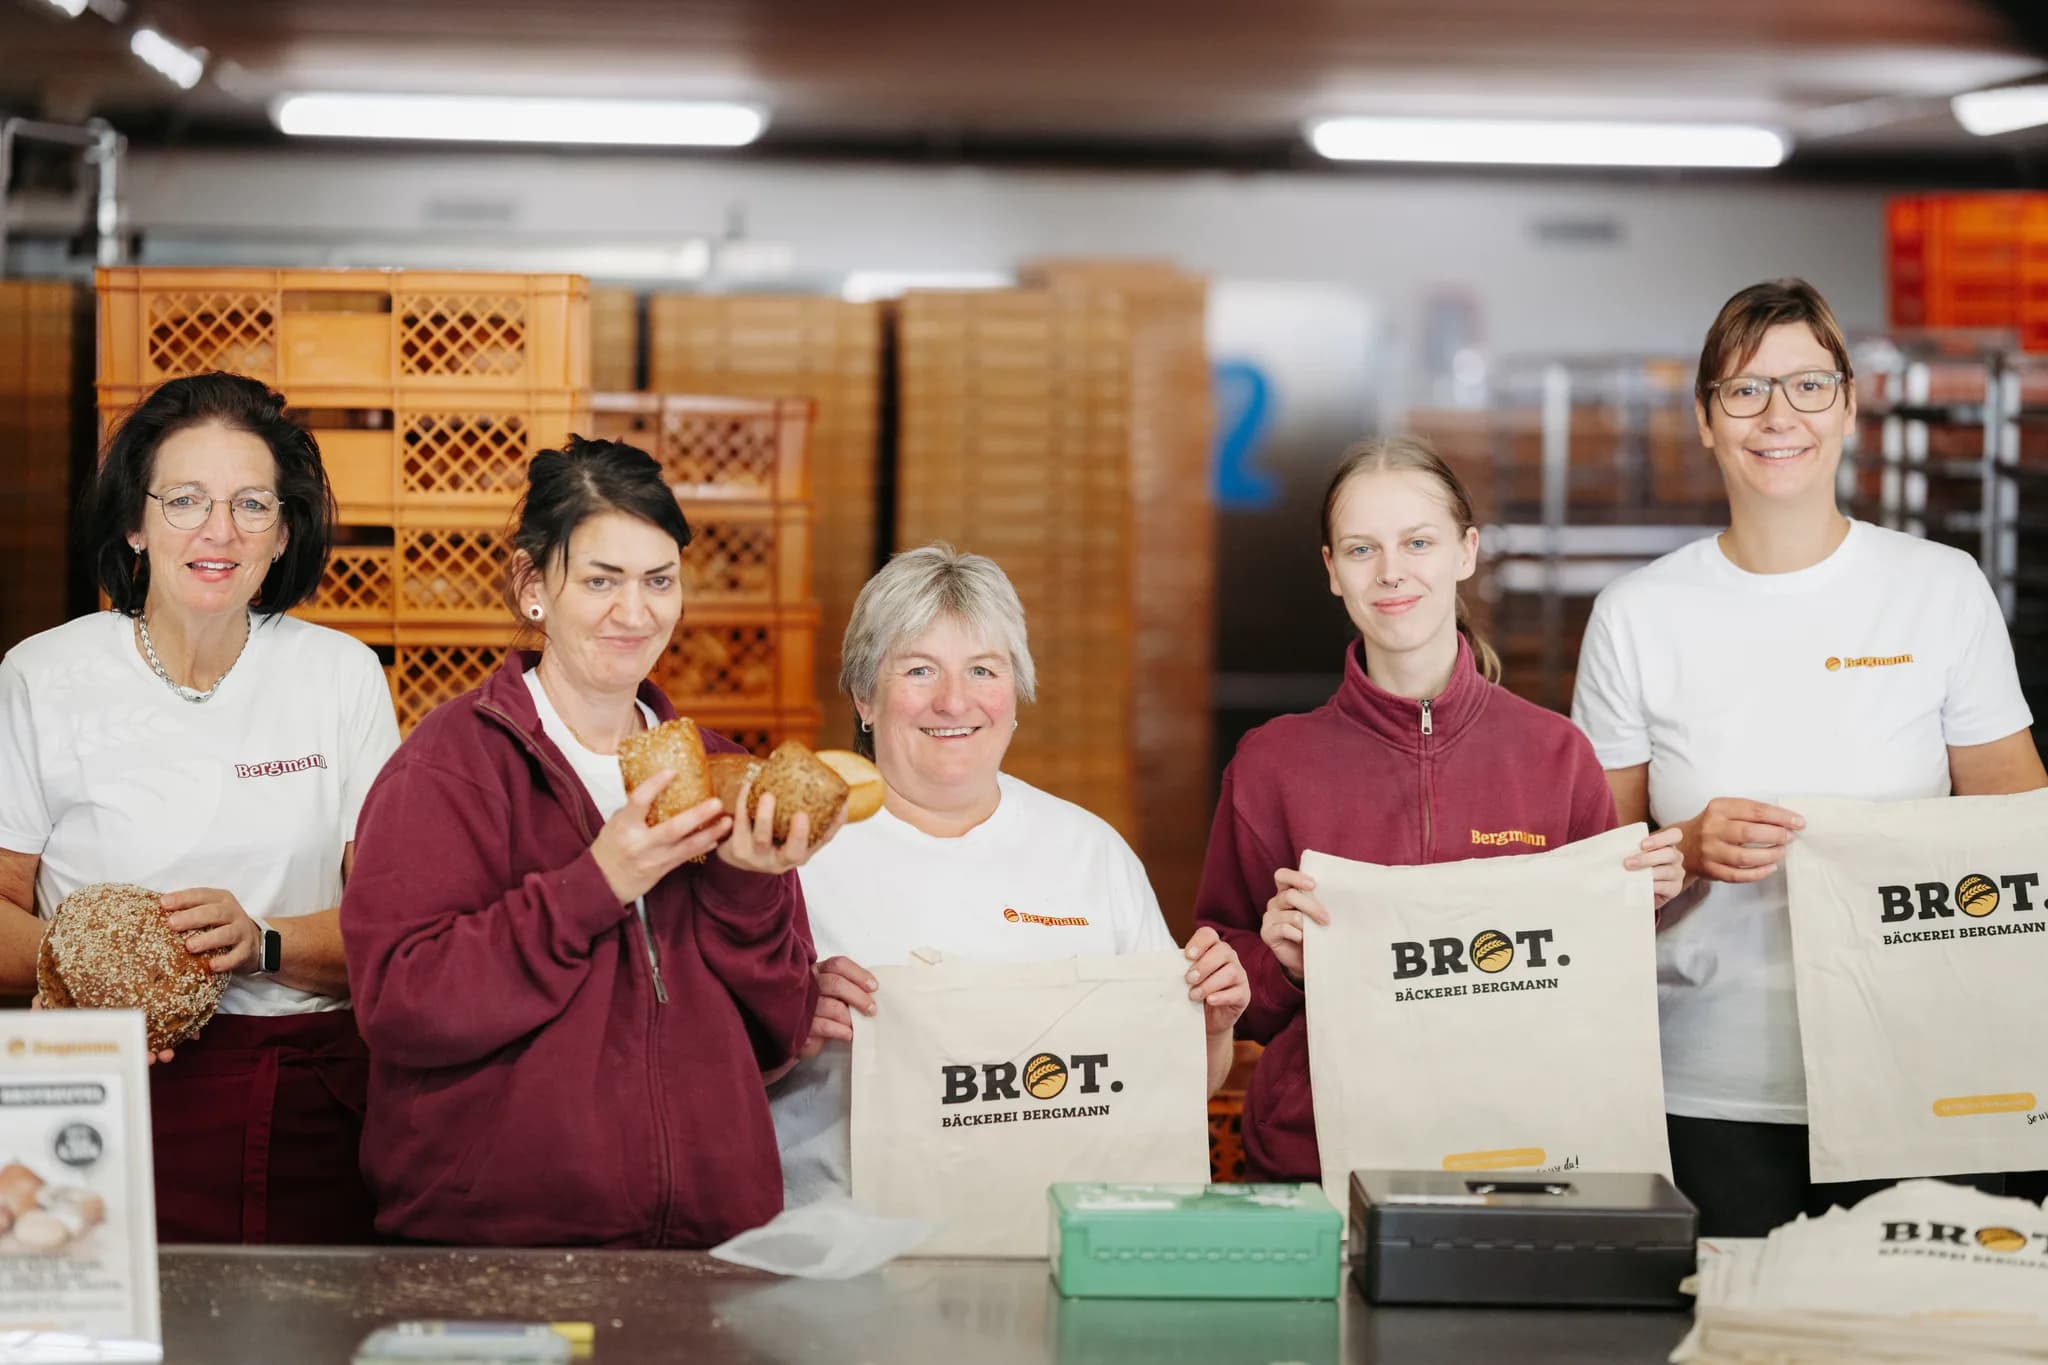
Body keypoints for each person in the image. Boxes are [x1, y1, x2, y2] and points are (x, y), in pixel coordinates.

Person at [1572, 278, 2047, 1236]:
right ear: (1706, 421)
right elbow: (1585, 868)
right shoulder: (1639, 615)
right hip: (1709, 1084)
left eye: (1807, 386)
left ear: (1850, 406)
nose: (1777, 415)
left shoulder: (1939, 591)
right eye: (1743, 391)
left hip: (1923, 1076)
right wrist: (1687, 845)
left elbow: (2019, 829)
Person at [342, 435, 828, 1248]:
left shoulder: (723, 769)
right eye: (601, 580)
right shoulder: (452, 764)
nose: (635, 613)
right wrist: (595, 883)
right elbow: (400, 1003)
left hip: (712, 1242)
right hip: (507, 1244)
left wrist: (747, 885)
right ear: (533, 586)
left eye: (658, 581)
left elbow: (779, 1034)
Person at [1193, 436, 1686, 1184]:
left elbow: (1599, 988)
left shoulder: (1556, 755)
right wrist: (1281, 964)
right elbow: (1230, 986)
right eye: (1362, 549)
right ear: (1332, 571)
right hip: (1320, 1162)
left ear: (1466, 551)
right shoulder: (1272, 763)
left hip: (1522, 1158)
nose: (1391, 571)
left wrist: (1638, 902)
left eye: (1418, 542)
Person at [0, 372, 399, 1243]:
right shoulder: (42, 675)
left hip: (298, 1094)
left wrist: (259, 943)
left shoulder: (339, 675)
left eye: (252, 503)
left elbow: (394, 927)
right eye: (185, 500)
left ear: (284, 530)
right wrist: (104, 964)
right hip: (89, 1083)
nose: (219, 530)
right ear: (136, 524)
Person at [770, 544, 1250, 1206]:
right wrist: (791, 1020)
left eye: (983, 670)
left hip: (1052, 1245)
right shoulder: (793, 856)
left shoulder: (1090, 853)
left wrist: (1212, 1023)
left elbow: (1173, 1083)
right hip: (848, 1249)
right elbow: (702, 1075)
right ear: (864, 698)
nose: (953, 700)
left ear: (1015, 695)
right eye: (918, 669)